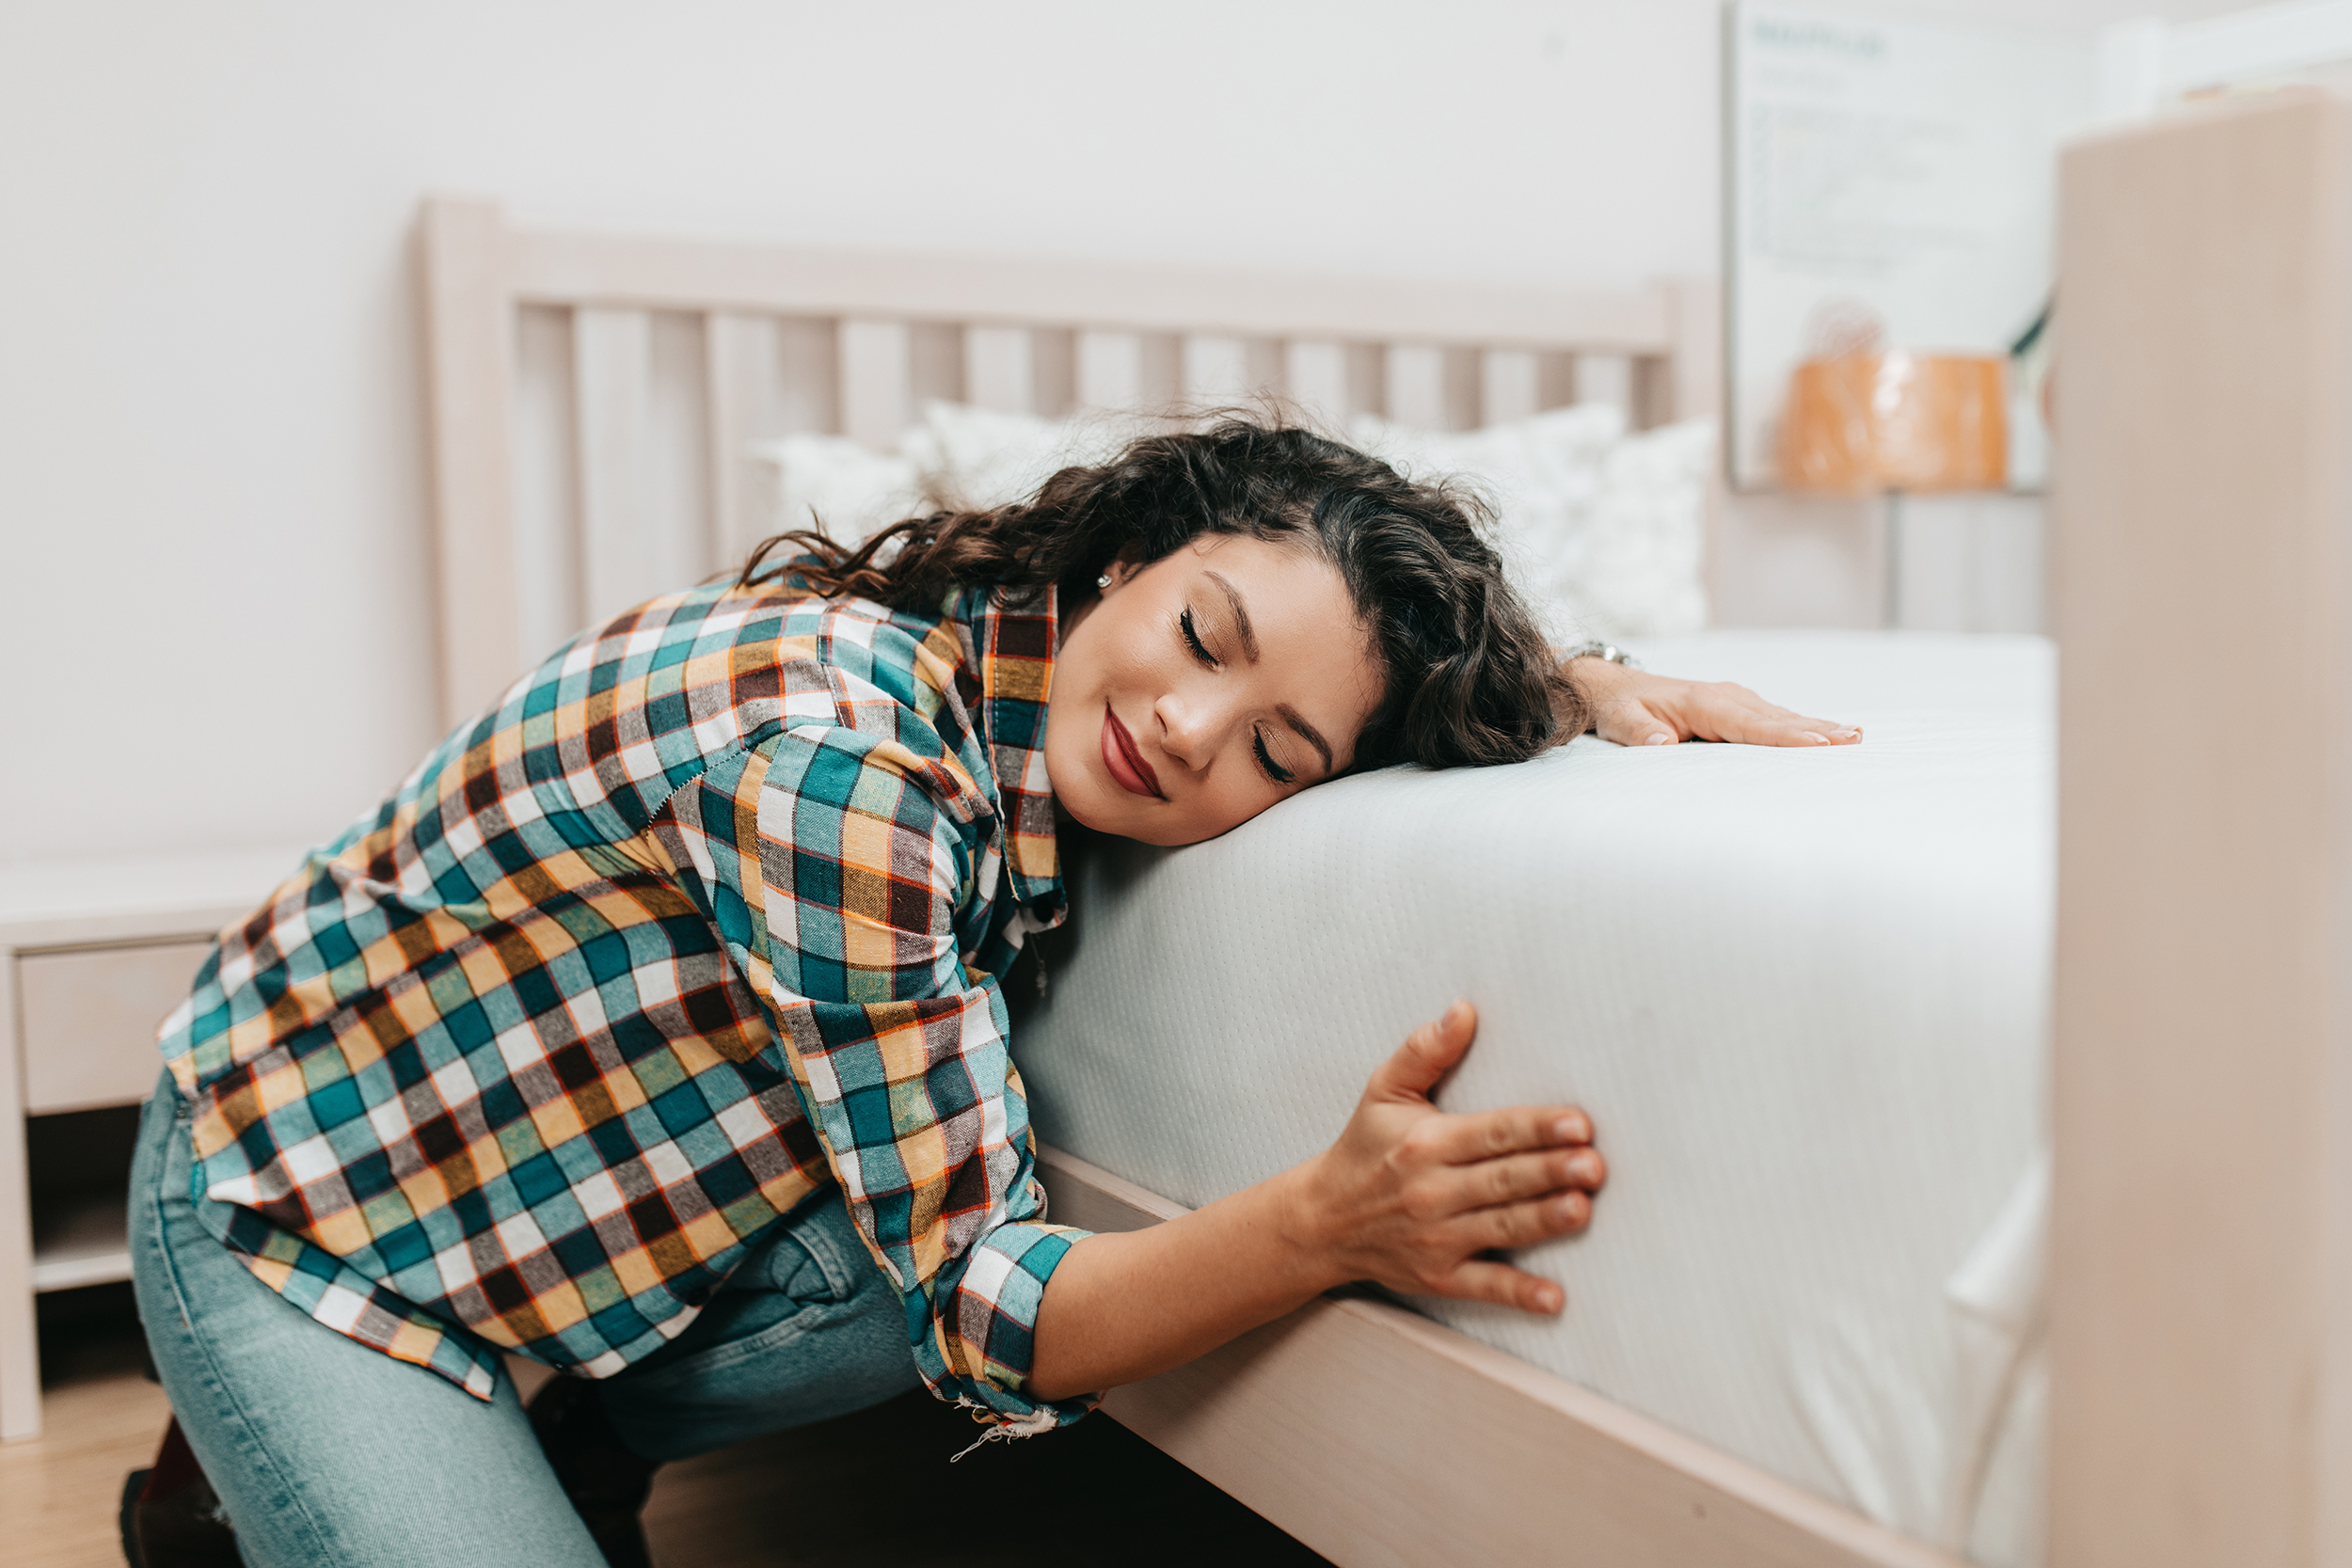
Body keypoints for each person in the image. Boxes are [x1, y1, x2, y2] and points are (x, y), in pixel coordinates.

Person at [123, 420, 1859, 1567]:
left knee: (946, 1199)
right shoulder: (851, 767)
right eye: (1201, 638)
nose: (1189, 732)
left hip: (552, 1193)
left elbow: (1298, 657)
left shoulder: (986, 637)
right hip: (308, 1214)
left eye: (1280, 749)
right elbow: (972, 1306)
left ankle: (539, 1421)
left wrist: (1559, 679)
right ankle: (254, 1454)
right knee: (951, 1263)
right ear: (1131, 561)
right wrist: (1319, 1226)